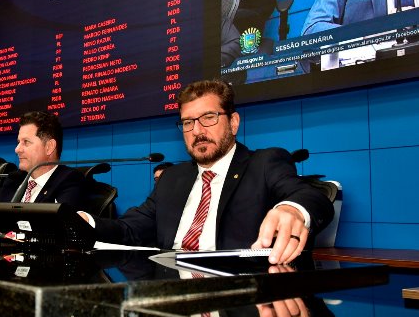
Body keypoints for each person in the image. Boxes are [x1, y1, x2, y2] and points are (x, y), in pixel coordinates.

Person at [84, 79, 334, 265]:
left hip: (239, 296)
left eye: (209, 117)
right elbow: (130, 229)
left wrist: (292, 210)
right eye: (188, 122)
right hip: (171, 288)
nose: (197, 130)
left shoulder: (264, 163)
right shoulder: (172, 178)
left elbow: (311, 197)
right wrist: (85, 222)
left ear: (233, 123)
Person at [0, 111, 86, 242]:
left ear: (49, 147)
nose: (17, 149)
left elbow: (58, 228)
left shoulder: (69, 180)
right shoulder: (15, 179)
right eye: (18, 142)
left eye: (26, 142)